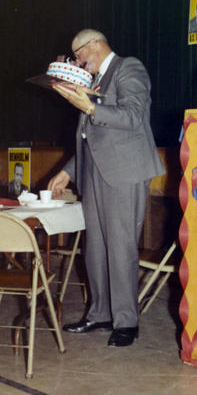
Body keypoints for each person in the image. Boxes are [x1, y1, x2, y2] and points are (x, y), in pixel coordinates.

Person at [48, 29, 165, 347]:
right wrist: (68, 172)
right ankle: (100, 313)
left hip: (126, 172)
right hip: (94, 173)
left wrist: (88, 106)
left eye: (78, 55)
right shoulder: (93, 78)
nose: (77, 63)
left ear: (94, 45)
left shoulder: (129, 68)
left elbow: (132, 116)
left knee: (121, 246)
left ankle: (127, 322)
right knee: (96, 248)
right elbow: (91, 136)